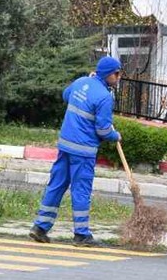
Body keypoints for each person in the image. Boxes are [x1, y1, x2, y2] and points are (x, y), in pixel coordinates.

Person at [30, 55, 123, 248]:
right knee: (81, 191)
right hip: (83, 151)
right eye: (116, 73)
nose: (119, 76)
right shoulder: (105, 97)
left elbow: (66, 95)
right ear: (107, 74)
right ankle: (81, 235)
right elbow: (103, 130)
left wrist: (87, 82)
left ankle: (40, 227)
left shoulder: (82, 81)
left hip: (65, 146)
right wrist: (116, 136)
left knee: (56, 185)